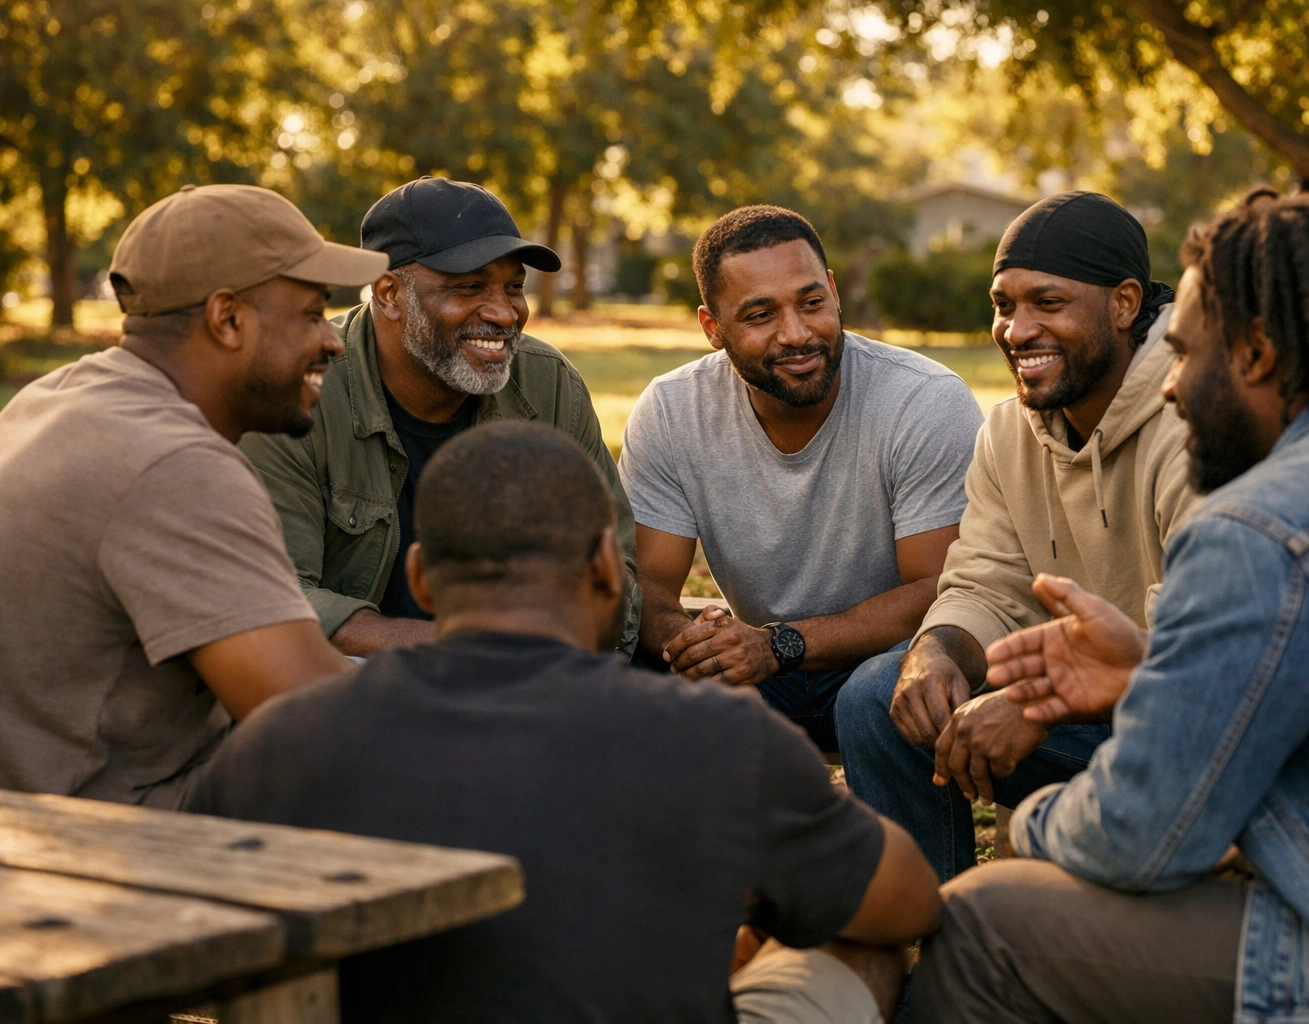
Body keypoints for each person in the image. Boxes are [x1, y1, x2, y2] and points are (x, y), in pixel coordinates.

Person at [909, 189, 1309, 1024]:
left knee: (986, 923)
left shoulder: (1259, 527)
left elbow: (1139, 836)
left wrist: (1031, 823)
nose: (1167, 389)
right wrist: (1149, 671)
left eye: (1184, 355)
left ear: (1258, 354)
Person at [188, 421, 942, 1023]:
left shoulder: (274, 741)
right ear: (609, 570)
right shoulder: (717, 738)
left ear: (420, 576)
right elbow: (907, 901)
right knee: (860, 946)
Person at [836, 191, 1197, 879]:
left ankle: (991, 942)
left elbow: (1208, 648)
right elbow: (985, 580)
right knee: (883, 696)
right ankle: (926, 938)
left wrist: (1037, 707)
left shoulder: (1194, 425)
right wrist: (937, 652)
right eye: (1004, 305)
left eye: (1048, 303)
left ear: (1123, 305)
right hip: (1065, 703)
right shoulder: (1008, 432)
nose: (1016, 329)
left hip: (1176, 727)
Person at [0, 184, 381, 808]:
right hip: (107, 838)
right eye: (311, 315)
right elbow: (317, 727)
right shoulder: (175, 465)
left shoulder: (60, 396)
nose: (334, 341)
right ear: (227, 318)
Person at [620, 205, 983, 751]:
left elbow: (940, 590)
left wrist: (778, 644)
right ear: (713, 328)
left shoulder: (922, 400)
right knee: (630, 678)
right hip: (760, 673)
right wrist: (693, 645)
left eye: (812, 303)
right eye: (760, 315)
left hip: (889, 663)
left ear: (834, 292)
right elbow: (647, 584)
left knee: (881, 686)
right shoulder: (673, 409)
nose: (797, 334)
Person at [240, 176, 641, 658]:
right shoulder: (299, 388)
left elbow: (615, 572)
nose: (504, 313)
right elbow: (277, 598)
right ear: (388, 294)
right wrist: (470, 650)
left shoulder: (548, 384)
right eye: (469, 287)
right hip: (349, 685)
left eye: (514, 287)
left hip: (527, 682)